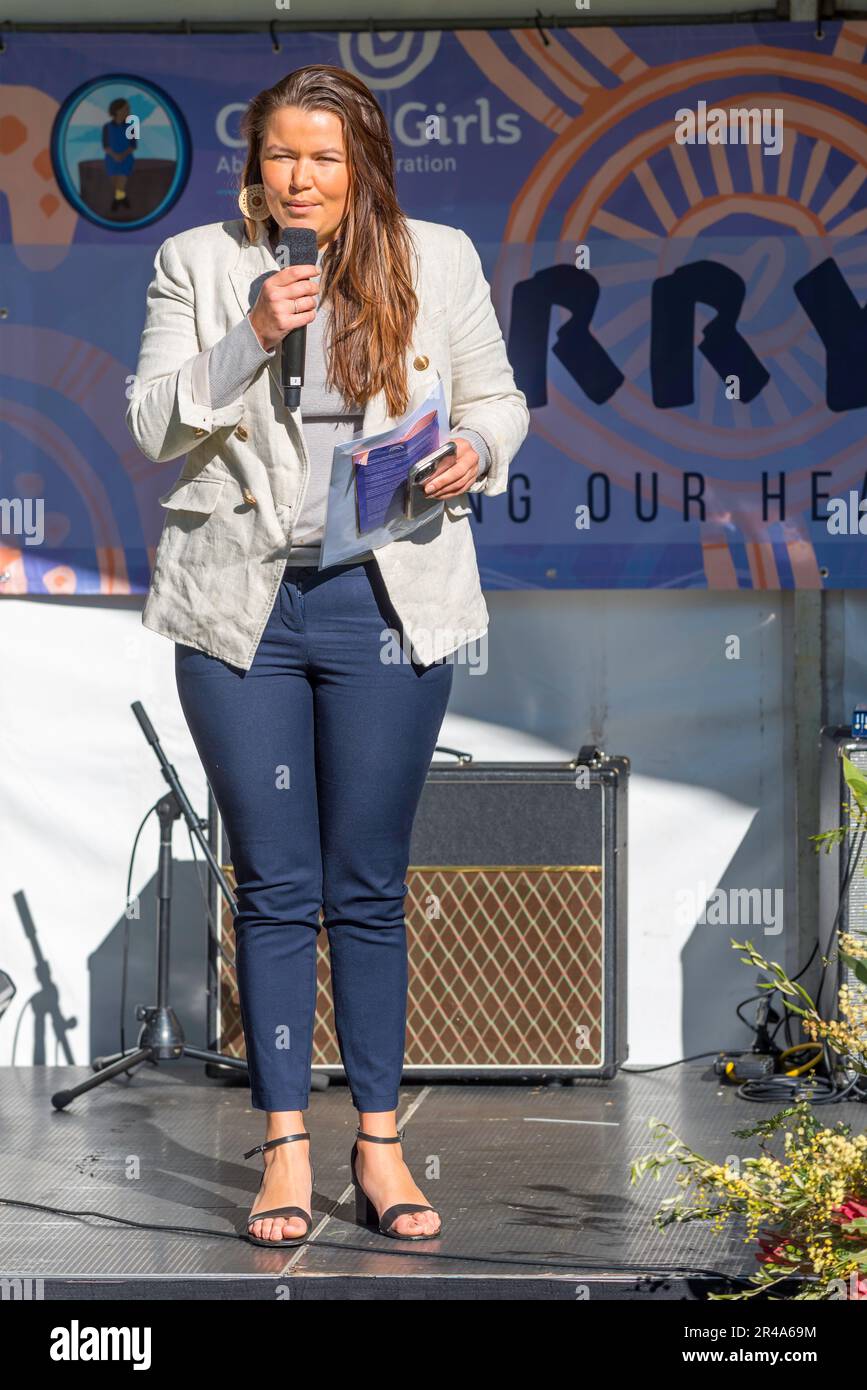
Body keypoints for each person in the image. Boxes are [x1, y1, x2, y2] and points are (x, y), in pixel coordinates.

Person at [126, 64, 529, 1247]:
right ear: (252, 163)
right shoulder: (199, 263)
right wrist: (250, 332)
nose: (297, 178)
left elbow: (500, 400)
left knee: (367, 885)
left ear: (362, 168)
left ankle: (381, 1142)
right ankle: (286, 1142)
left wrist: (473, 451)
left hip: (384, 599)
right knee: (273, 882)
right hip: (245, 606)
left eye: (322, 158)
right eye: (278, 155)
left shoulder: (436, 257)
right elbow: (153, 422)